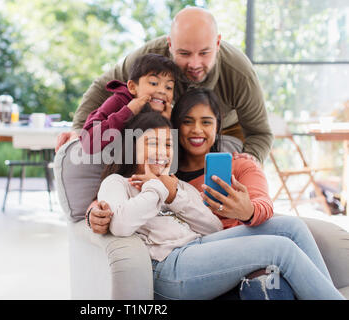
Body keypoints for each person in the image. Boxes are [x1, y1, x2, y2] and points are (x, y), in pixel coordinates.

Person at [97, 90, 344, 300]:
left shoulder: (177, 186)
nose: (162, 152)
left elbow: (212, 227)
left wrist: (173, 196)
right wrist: (155, 189)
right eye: (152, 143)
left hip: (197, 249)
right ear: (132, 146)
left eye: (168, 145)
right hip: (168, 267)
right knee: (280, 249)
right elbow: (120, 225)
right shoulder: (117, 183)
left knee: (290, 226)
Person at [56, 6, 273, 164]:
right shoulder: (150, 56)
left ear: (217, 43)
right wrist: (78, 129)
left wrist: (250, 161)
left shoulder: (239, 72)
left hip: (226, 128)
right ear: (170, 45)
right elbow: (101, 87)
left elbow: (261, 133)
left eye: (204, 53)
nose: (194, 64)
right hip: (172, 128)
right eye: (184, 53)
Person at [80, 53, 181, 154]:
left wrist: (164, 124)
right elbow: (87, 143)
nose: (162, 91)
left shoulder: (166, 112)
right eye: (154, 83)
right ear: (132, 87)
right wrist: (128, 112)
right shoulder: (119, 102)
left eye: (168, 87)